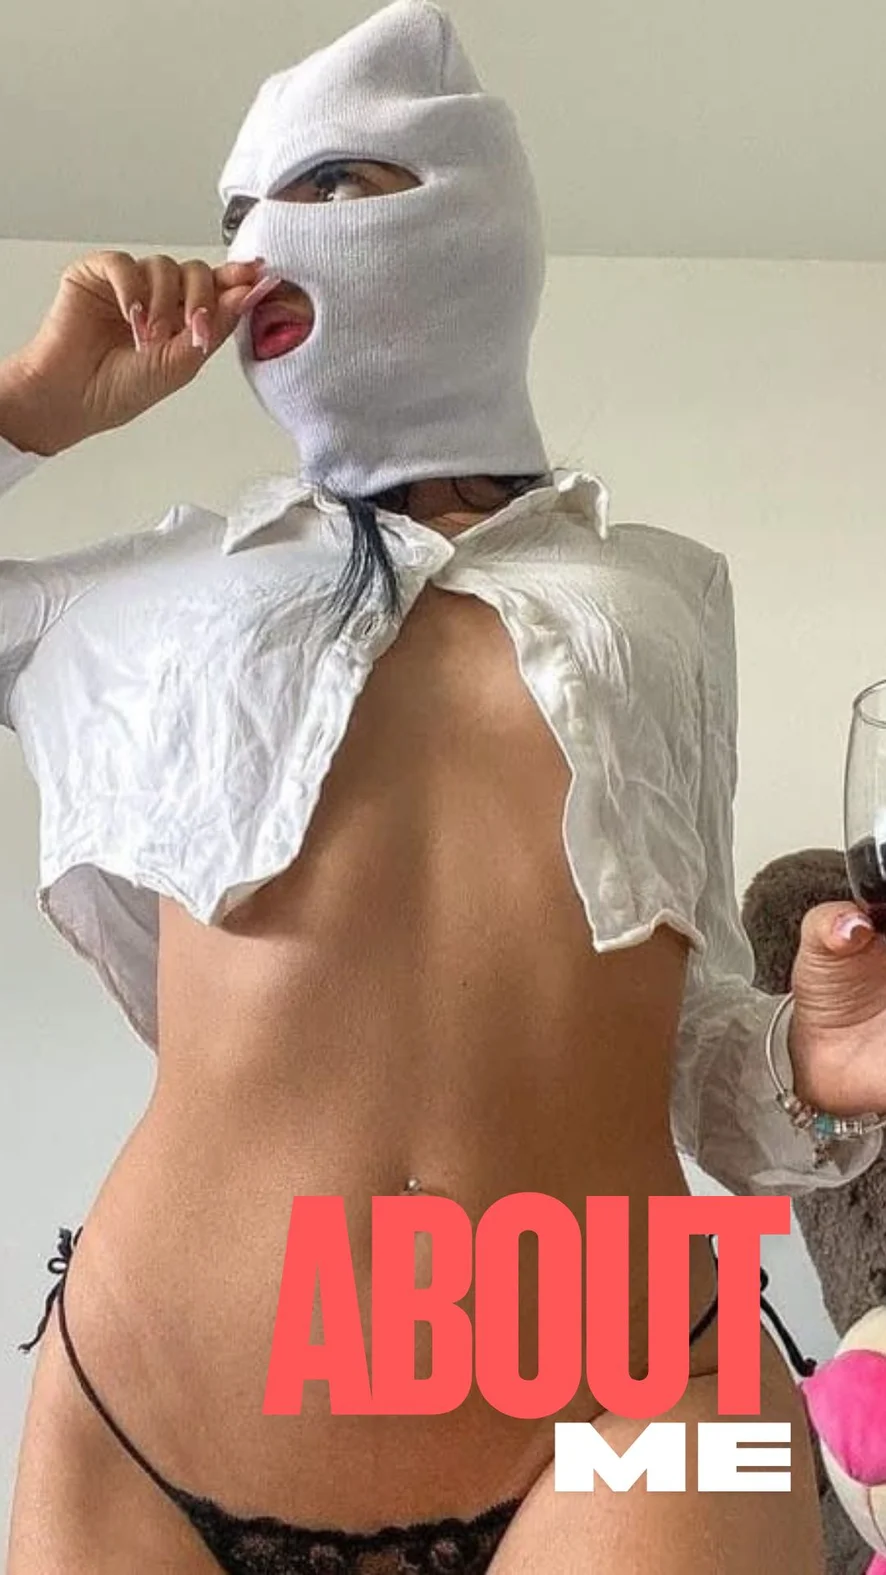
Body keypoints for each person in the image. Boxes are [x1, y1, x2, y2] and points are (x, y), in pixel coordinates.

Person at [3, 3, 886, 1571]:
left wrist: (803, 1063)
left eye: (332, 185)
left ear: (477, 219)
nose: (263, 241)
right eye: (239, 210)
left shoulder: (660, 602)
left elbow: (661, 1019)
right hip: (151, 1429)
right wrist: (25, 412)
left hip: (640, 1396)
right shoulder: (152, 595)